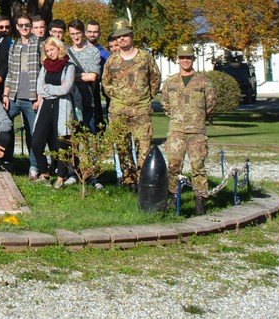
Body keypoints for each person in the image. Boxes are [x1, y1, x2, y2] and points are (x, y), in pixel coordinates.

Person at [102, 19, 161, 185]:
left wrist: (144, 97)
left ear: (132, 35)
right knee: (122, 148)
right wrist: (120, 97)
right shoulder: (112, 60)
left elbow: (155, 79)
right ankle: (130, 182)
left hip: (141, 111)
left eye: (125, 35)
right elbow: (106, 83)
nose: (122, 39)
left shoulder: (145, 58)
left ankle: (145, 182)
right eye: (118, 37)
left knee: (144, 147)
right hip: (119, 111)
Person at [160, 45, 217, 214]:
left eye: (189, 57)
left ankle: (200, 202)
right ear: (177, 59)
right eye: (182, 57)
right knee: (173, 166)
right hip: (176, 130)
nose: (185, 60)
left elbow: (211, 104)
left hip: (196, 131)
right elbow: (165, 104)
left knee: (198, 167)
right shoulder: (170, 82)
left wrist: (197, 118)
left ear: (193, 59)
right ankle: (174, 198)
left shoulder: (204, 82)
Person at [30, 37, 77, 184]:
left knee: (62, 142)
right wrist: (52, 90)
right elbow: (39, 89)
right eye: (47, 51)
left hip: (62, 106)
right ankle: (45, 173)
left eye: (52, 49)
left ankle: (61, 177)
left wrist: (48, 89)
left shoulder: (69, 66)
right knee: (37, 141)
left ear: (59, 48)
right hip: (46, 105)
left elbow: (66, 88)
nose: (50, 53)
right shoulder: (45, 66)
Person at [3, 14, 43, 161]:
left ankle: (34, 166)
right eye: (21, 25)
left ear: (31, 26)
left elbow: (44, 72)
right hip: (14, 97)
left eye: (27, 25)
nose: (24, 28)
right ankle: (7, 161)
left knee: (33, 134)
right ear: (17, 27)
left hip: (32, 98)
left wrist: (40, 96)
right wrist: (6, 95)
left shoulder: (39, 44)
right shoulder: (14, 46)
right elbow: (10, 72)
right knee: (5, 128)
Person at [67, 18, 103, 133]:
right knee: (73, 139)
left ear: (83, 33)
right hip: (70, 102)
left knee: (90, 137)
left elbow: (92, 77)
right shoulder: (65, 52)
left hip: (88, 101)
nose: (75, 37)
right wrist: (83, 75)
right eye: (72, 34)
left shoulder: (93, 52)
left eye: (78, 33)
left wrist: (72, 77)